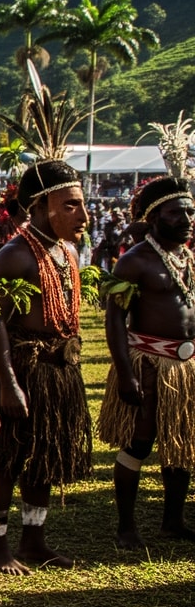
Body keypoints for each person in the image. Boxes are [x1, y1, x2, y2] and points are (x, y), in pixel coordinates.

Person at [0, 157, 91, 572]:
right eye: (71, 205)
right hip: (24, 372)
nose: (83, 214)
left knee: (45, 455)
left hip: (58, 372)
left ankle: (34, 541)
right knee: (9, 458)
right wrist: (8, 382)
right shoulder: (14, 256)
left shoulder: (67, 252)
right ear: (43, 207)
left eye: (81, 205)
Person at [101, 164, 195, 548]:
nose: (187, 219)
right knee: (139, 442)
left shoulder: (188, 257)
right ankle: (126, 527)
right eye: (177, 212)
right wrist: (126, 374)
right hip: (149, 363)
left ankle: (172, 522)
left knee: (181, 442)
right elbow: (114, 319)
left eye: (190, 211)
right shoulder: (135, 261)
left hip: (185, 368)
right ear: (154, 216)